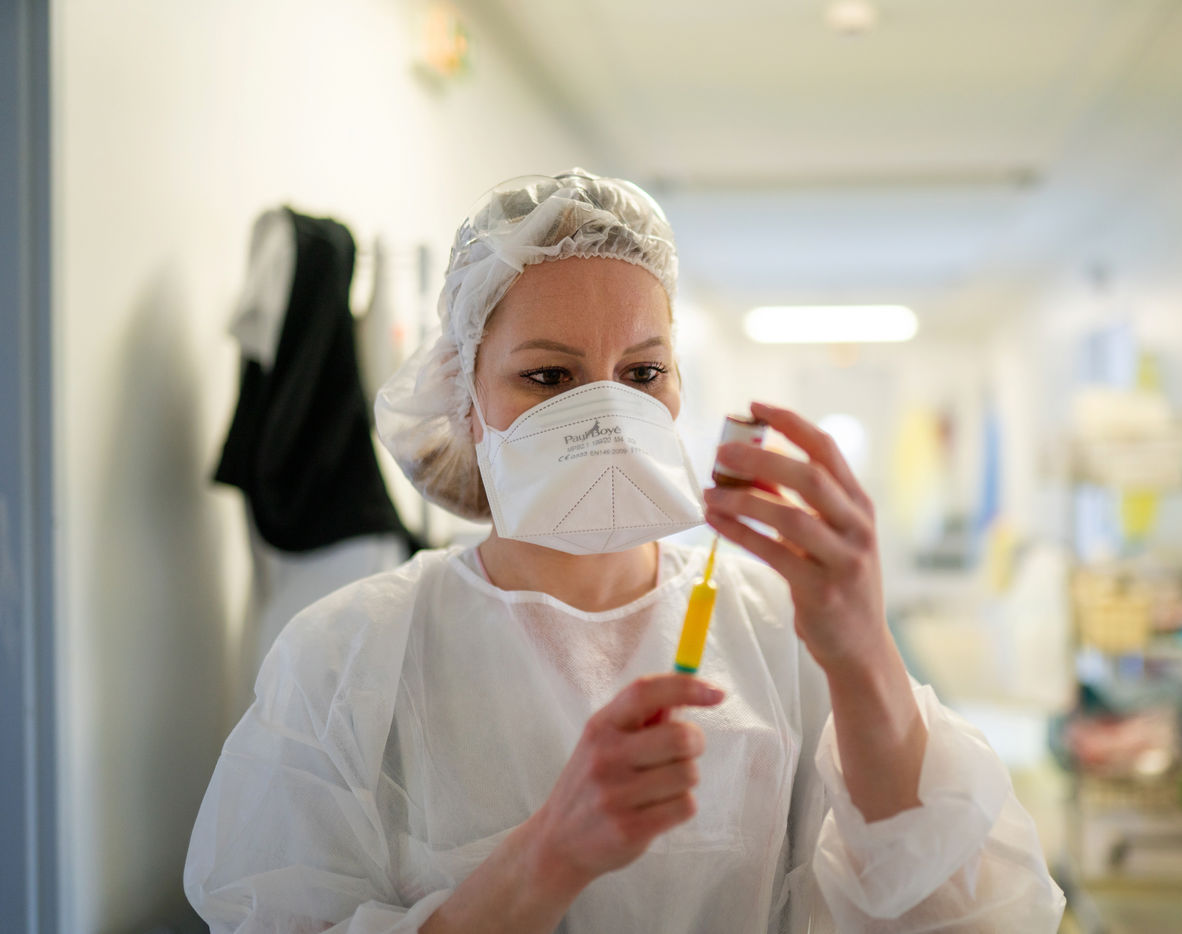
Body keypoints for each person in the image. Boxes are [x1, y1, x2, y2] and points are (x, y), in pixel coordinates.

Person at [184, 169, 1066, 933]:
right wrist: (545, 858)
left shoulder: (775, 629)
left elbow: (960, 915)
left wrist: (865, 652)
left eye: (642, 373)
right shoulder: (348, 659)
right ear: (466, 400)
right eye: (549, 376)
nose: (606, 413)